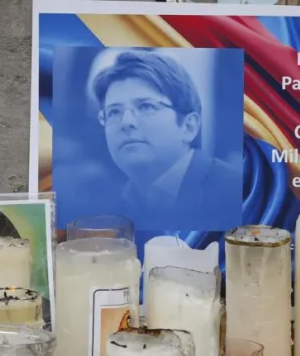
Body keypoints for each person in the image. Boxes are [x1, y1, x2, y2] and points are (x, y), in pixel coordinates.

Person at [90, 50, 242, 227]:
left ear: (188, 126)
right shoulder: (104, 212)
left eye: (146, 106)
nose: (126, 122)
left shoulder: (237, 192)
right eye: (114, 111)